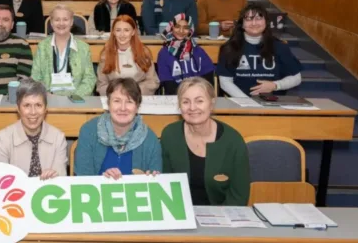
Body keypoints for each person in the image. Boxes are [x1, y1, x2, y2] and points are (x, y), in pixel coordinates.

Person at [161, 77, 250, 206]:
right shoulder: (170, 135)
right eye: (186, 102)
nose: (192, 107)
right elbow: (165, 184)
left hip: (223, 217)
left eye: (199, 101)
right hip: (180, 214)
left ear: (212, 103)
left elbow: (239, 196)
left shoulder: (233, 140)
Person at [75, 77, 162, 177]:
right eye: (117, 101)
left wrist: (152, 179)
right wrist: (103, 181)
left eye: (129, 102)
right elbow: (83, 178)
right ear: (108, 104)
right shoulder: (89, 132)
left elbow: (155, 183)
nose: (123, 108)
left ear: (137, 107)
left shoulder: (150, 140)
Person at [217, 4, 302, 97]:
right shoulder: (229, 48)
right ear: (242, 24)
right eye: (248, 19)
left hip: (274, 104)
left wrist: (275, 85)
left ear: (266, 22)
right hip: (240, 103)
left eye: (258, 18)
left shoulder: (280, 47)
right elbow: (225, 82)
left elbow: (297, 78)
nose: (254, 23)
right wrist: (247, 102)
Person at [0, 79, 68, 178]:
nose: (33, 112)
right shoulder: (3, 138)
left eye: (38, 105)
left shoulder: (58, 138)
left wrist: (54, 175)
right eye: (27, 105)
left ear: (45, 109)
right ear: (18, 109)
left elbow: (61, 180)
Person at [31, 5, 96, 96]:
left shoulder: (83, 47)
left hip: (77, 99)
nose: (61, 23)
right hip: (49, 99)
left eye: (65, 19)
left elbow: (89, 78)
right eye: (57, 20)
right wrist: (46, 95)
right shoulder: (42, 47)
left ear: (71, 22)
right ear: (51, 23)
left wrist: (75, 96)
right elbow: (35, 77)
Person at [97, 16, 159, 95]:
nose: (122, 34)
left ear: (133, 32)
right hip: (114, 98)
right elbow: (101, 84)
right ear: (113, 32)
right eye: (118, 30)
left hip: (139, 97)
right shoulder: (105, 54)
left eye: (126, 30)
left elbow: (153, 81)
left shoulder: (143, 52)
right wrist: (117, 93)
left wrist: (134, 92)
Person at [157, 14, 215, 95]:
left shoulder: (198, 51)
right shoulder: (164, 53)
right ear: (171, 28)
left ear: (190, 30)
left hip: (199, 95)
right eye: (177, 26)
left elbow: (208, 82)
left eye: (186, 28)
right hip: (175, 97)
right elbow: (168, 85)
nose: (181, 31)